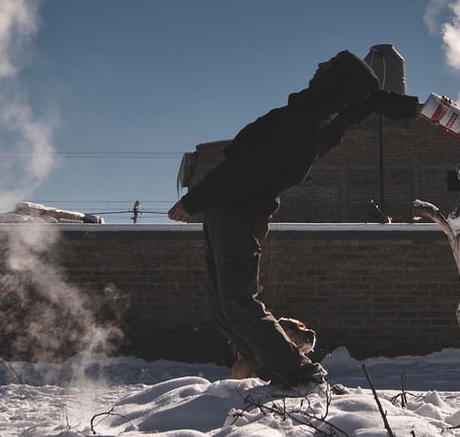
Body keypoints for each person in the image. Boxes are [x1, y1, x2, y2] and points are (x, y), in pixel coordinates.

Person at [167, 50, 424, 388]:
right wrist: (416, 108)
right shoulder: (326, 112)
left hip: (239, 209)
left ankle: (302, 374)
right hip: (228, 208)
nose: (319, 66)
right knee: (221, 303)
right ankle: (270, 369)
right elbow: (371, 100)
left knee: (237, 300)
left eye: (328, 65)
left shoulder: (304, 120)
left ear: (336, 80)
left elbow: (248, 169)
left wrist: (194, 199)